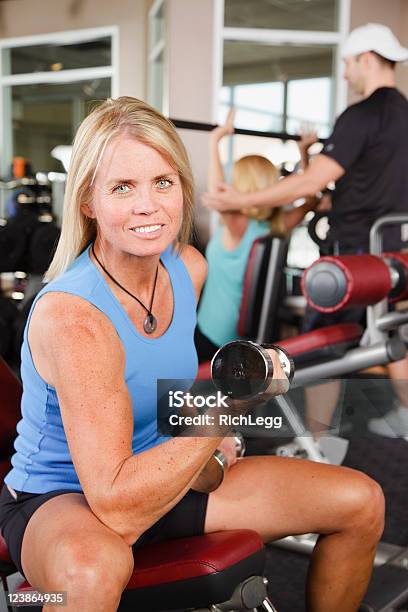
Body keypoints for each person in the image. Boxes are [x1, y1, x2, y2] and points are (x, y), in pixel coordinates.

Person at [0, 97, 384, 612]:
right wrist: (220, 414)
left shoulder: (188, 268)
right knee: (92, 573)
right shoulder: (74, 317)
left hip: (163, 474)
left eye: (163, 182)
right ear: (88, 200)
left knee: (360, 502)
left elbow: (155, 384)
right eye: (122, 187)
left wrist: (207, 428)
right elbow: (116, 508)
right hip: (64, 497)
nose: (148, 205)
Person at [202, 23, 408, 437]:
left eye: (348, 64)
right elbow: (349, 190)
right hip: (391, 253)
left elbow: (311, 185)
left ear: (366, 59)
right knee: (389, 330)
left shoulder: (361, 115)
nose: (346, 73)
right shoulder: (403, 115)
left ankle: (318, 442)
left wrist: (236, 200)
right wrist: (306, 157)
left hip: (351, 256)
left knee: (322, 347)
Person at [196, 110, 318, 362]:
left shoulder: (237, 223)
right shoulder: (276, 225)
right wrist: (303, 154)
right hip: (243, 335)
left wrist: (215, 139)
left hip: (212, 335)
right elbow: (311, 199)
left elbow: (218, 194)